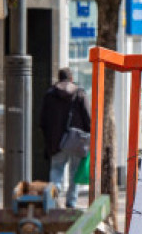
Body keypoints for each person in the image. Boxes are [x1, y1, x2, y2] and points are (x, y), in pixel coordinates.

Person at [40, 67, 90, 208]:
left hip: (57, 142)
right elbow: (88, 117)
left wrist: (49, 138)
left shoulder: (49, 94)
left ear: (58, 78)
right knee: (75, 173)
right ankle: (71, 203)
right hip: (76, 140)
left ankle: (53, 201)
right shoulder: (80, 93)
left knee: (56, 171)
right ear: (71, 78)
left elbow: (43, 120)